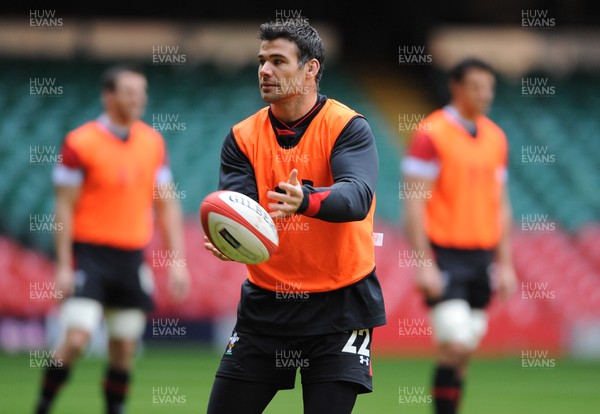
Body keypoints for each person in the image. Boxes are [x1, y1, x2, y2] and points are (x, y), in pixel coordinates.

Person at [203, 19, 386, 414]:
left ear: (311, 69)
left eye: (277, 61)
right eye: (261, 61)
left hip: (341, 305)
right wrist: (229, 237)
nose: (264, 71)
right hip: (268, 305)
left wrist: (305, 200)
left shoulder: (348, 127)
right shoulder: (241, 138)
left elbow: (356, 197)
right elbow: (244, 211)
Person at [33, 64, 190, 414]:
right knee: (77, 338)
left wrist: (177, 262)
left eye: (142, 92)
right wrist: (62, 265)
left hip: (131, 257)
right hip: (88, 255)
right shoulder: (80, 143)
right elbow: (63, 207)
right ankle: (43, 406)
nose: (139, 99)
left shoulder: (153, 142)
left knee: (123, 348)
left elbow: (167, 205)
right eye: (131, 92)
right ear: (109, 96)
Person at [401, 57, 518, 414]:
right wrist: (423, 264)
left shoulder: (496, 138)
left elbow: (502, 206)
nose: (485, 95)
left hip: (482, 256)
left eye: (490, 88)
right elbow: (413, 203)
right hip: (445, 253)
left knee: (465, 350)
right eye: (477, 87)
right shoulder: (430, 133)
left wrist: (507, 264)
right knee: (454, 342)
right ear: (456, 87)